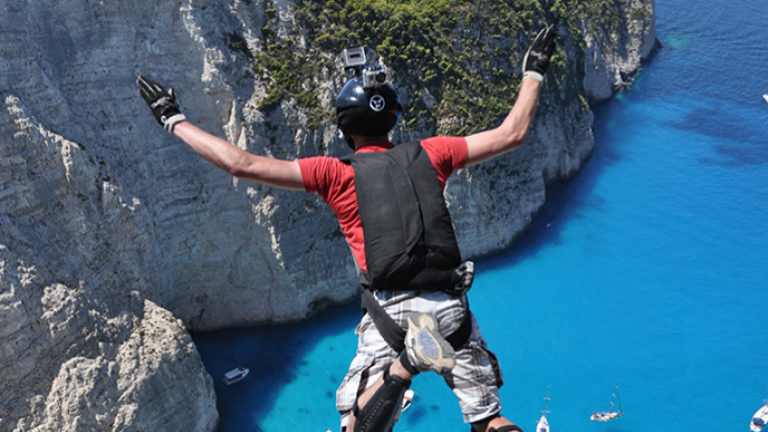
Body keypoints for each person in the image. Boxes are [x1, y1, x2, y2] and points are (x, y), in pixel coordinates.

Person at [138, 25, 556, 432]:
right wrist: (533, 71)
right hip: (450, 306)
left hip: (391, 313)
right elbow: (512, 133)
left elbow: (239, 163)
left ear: (344, 128)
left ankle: (405, 365)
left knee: (356, 424)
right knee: (488, 420)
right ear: (393, 118)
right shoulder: (434, 152)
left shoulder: (335, 174)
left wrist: (174, 119)